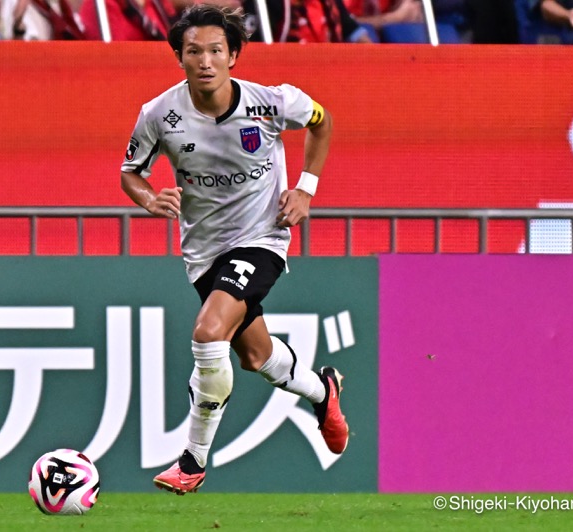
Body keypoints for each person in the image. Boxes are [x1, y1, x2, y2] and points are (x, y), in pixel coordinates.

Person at [120, 3, 348, 495]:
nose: (205, 60)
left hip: (262, 237)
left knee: (208, 332)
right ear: (179, 58)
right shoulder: (159, 114)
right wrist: (149, 198)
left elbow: (322, 122)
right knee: (254, 355)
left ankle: (193, 460)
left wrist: (305, 188)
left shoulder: (272, 103)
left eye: (216, 51)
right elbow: (130, 173)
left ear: (234, 56)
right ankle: (321, 390)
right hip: (203, 250)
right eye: (193, 51)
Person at [244, 0, 374, 43]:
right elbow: (255, 46)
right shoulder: (264, 3)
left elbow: (353, 31)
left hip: (329, 69)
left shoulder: (331, 3)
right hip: (286, 76)